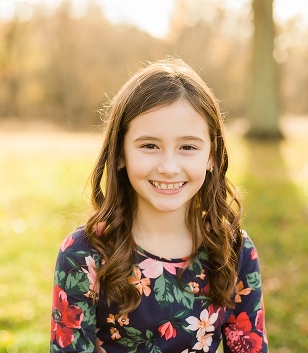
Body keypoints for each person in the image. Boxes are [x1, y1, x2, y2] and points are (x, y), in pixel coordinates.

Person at [50, 58, 266, 353]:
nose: (168, 167)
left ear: (212, 156)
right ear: (121, 154)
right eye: (149, 146)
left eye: (187, 147)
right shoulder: (85, 254)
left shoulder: (233, 250)